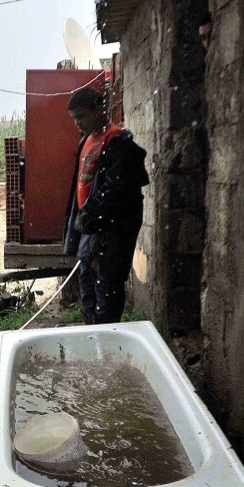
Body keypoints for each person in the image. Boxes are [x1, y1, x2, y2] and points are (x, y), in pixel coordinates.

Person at [62, 87, 149, 325]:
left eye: (81, 116)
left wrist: (93, 216)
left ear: (99, 110)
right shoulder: (86, 141)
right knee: (87, 285)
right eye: (74, 118)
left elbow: (116, 191)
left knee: (106, 288)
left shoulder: (118, 142)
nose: (78, 123)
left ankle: (107, 338)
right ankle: (92, 333)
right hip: (91, 228)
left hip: (111, 230)